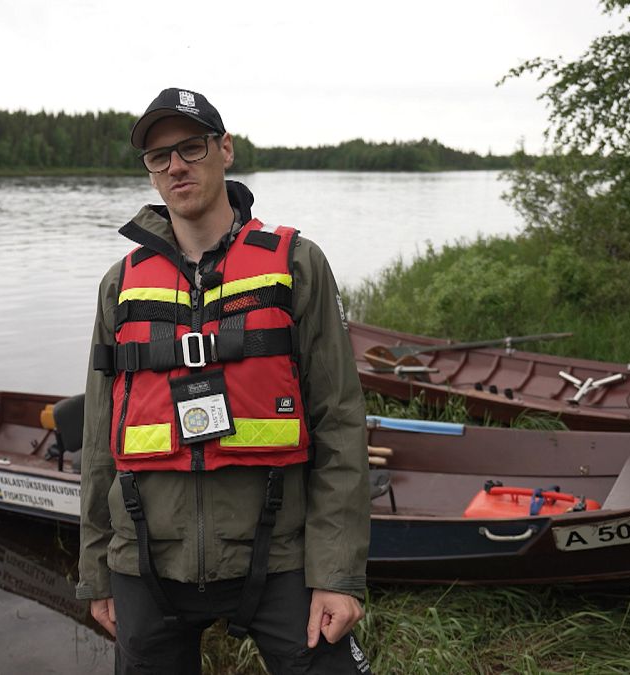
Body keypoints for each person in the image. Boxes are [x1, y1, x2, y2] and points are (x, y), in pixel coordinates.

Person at [76, 88, 373, 674]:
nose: (176, 166)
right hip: (144, 558)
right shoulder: (121, 285)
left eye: (190, 147)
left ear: (225, 149)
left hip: (280, 554)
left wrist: (338, 574)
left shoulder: (296, 264)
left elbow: (338, 421)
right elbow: (97, 440)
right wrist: (95, 572)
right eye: (159, 157)